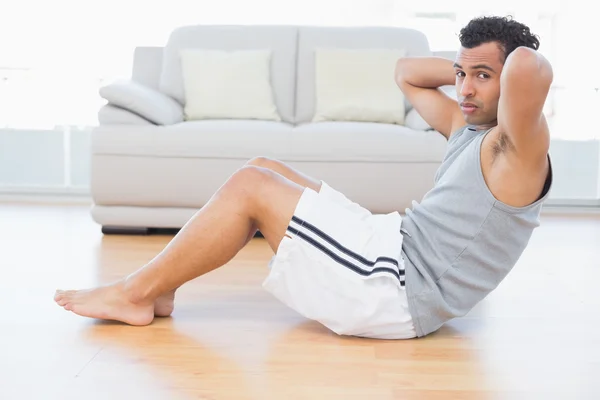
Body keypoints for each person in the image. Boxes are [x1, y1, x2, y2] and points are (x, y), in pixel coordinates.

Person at [54, 15, 553, 339]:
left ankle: (134, 294)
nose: (464, 89)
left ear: (511, 84)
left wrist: (503, 65)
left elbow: (529, 66)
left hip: (399, 288)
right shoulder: (467, 125)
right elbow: (406, 72)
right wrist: (470, 69)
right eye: (461, 75)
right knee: (260, 168)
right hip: (392, 244)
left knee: (251, 191)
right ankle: (160, 287)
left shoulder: (515, 151)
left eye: (482, 77)